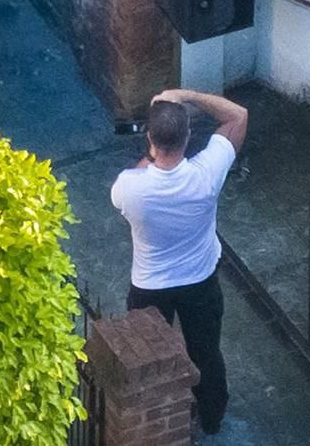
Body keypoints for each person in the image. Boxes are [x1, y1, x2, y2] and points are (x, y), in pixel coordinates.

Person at [109, 88, 248, 435]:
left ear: (150, 137)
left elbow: (143, 173)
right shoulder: (206, 174)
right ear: (188, 137)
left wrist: (150, 152)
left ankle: (154, 422)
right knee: (206, 353)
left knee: (146, 358)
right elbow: (238, 115)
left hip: (149, 284)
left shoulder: (128, 188)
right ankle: (212, 418)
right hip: (200, 280)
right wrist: (184, 96)